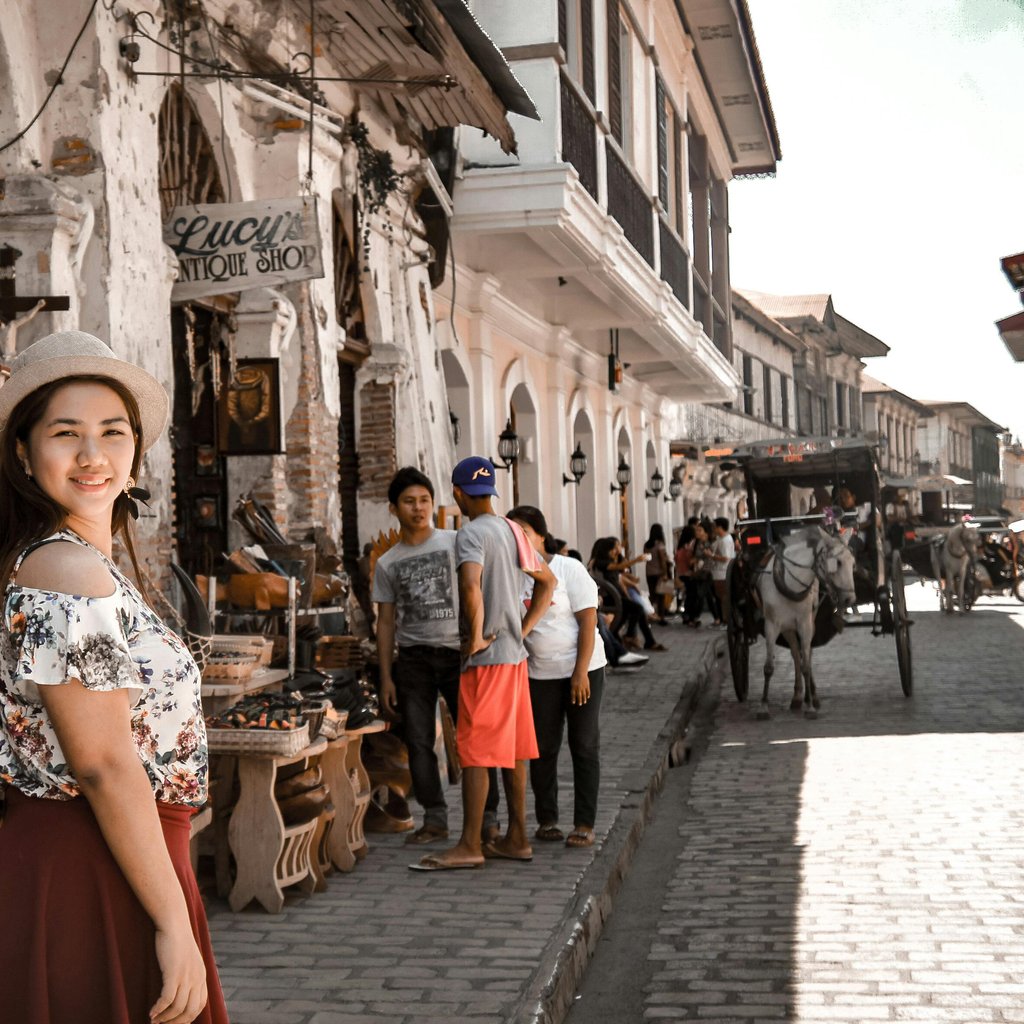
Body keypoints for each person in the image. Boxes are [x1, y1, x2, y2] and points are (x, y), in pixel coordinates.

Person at [0, 330, 228, 1024]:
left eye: (112, 432)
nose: (93, 455)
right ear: (23, 451)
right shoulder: (65, 574)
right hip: (93, 861)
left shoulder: (68, 561)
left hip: (122, 853)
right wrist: (171, 922)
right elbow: (100, 761)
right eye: (65, 432)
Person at [411, 456, 555, 870]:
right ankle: (518, 837)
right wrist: (522, 629)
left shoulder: (470, 534)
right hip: (514, 657)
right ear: (490, 491)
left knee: (474, 752)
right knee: (512, 749)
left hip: (487, 657)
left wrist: (474, 637)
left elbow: (471, 586)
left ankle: (470, 844)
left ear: (457, 494)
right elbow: (548, 582)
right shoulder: (513, 529)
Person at [374, 466, 499, 845]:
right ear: (394, 508)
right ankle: (435, 818)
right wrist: (386, 677)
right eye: (409, 502)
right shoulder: (387, 562)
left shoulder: (455, 541)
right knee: (418, 740)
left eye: (424, 500)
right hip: (413, 660)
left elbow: (479, 588)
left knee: (473, 739)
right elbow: (385, 623)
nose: (418, 508)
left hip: (459, 654)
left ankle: (488, 820)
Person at [509, 506, 606, 849]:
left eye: (524, 532)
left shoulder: (568, 568)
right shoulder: (513, 575)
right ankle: (547, 819)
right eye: (512, 533)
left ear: (541, 534)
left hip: (583, 670)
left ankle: (584, 823)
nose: (518, 539)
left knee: (583, 745)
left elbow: (588, 621)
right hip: (539, 674)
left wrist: (580, 671)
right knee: (544, 748)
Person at [590, 537, 666, 652]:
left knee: (632, 614)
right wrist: (636, 560)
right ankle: (633, 636)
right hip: (610, 598)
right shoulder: (599, 563)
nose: (616, 550)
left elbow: (623, 571)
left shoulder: (611, 560)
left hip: (618, 596)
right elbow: (617, 568)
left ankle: (647, 640)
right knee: (638, 609)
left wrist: (622, 555)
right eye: (614, 548)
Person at [708, 517, 735, 629]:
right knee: (720, 597)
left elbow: (725, 558)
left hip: (722, 573)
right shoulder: (721, 539)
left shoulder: (725, 541)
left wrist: (712, 556)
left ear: (720, 527)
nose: (713, 529)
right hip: (718, 572)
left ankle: (726, 621)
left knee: (723, 597)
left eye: (715, 526)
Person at [643, 523, 672, 624]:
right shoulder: (659, 545)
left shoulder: (647, 545)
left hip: (649, 572)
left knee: (652, 595)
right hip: (659, 573)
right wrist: (665, 573)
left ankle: (649, 614)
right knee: (661, 596)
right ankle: (661, 617)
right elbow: (662, 560)